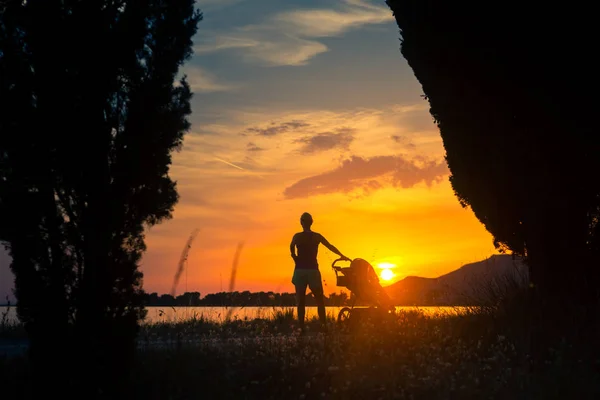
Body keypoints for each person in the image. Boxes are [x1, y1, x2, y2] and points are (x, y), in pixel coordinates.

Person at [290, 212, 350, 332]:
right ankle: (324, 327)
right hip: (313, 270)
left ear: (301, 222)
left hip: (300, 270)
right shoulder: (317, 236)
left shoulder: (297, 236)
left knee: (300, 301)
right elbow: (330, 246)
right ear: (311, 222)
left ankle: (301, 328)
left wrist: (294, 257)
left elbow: (291, 247)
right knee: (319, 300)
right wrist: (341, 255)